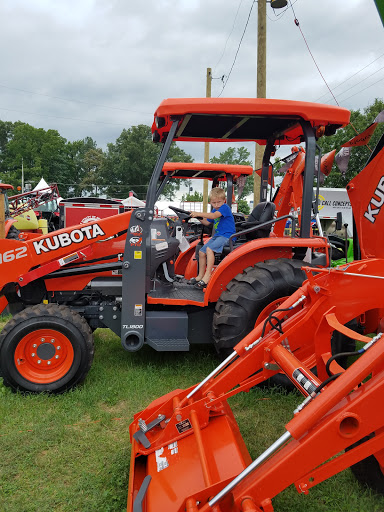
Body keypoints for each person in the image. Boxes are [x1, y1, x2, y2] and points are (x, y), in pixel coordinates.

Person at [189, 187, 235, 289]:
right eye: (214, 203)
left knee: (209, 249)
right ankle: (200, 275)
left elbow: (214, 216)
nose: (217, 205)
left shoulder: (225, 208)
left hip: (227, 236)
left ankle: (208, 276)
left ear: (224, 200)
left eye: (219, 202)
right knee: (201, 252)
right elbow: (207, 222)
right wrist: (198, 217)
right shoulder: (216, 209)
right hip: (218, 236)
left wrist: (198, 213)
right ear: (211, 202)